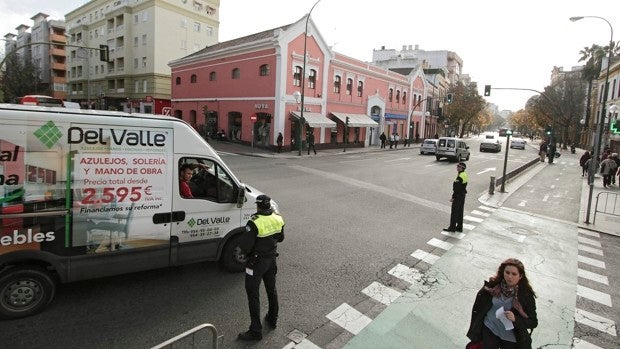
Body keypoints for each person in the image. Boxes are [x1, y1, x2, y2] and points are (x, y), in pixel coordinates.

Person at [238, 195, 285, 341]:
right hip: (271, 260)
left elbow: (245, 247)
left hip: (256, 263)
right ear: (269, 205)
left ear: (258, 206)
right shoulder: (278, 218)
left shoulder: (254, 222)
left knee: (253, 294)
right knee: (271, 290)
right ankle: (272, 319)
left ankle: (255, 331)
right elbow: (281, 238)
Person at [467, 258, 538, 349]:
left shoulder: (526, 296)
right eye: (507, 272)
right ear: (502, 272)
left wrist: (515, 319)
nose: (509, 277)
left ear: (520, 276)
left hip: (510, 338)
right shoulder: (492, 286)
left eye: (514, 274)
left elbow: (533, 322)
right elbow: (479, 307)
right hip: (490, 329)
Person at [444, 162, 468, 232]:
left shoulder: (460, 176)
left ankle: (452, 228)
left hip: (458, 196)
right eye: (457, 166)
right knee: (460, 212)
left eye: (458, 166)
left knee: (454, 212)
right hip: (462, 195)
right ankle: (459, 227)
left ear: (462, 168)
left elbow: (457, 189)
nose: (457, 167)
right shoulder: (464, 174)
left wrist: (453, 197)